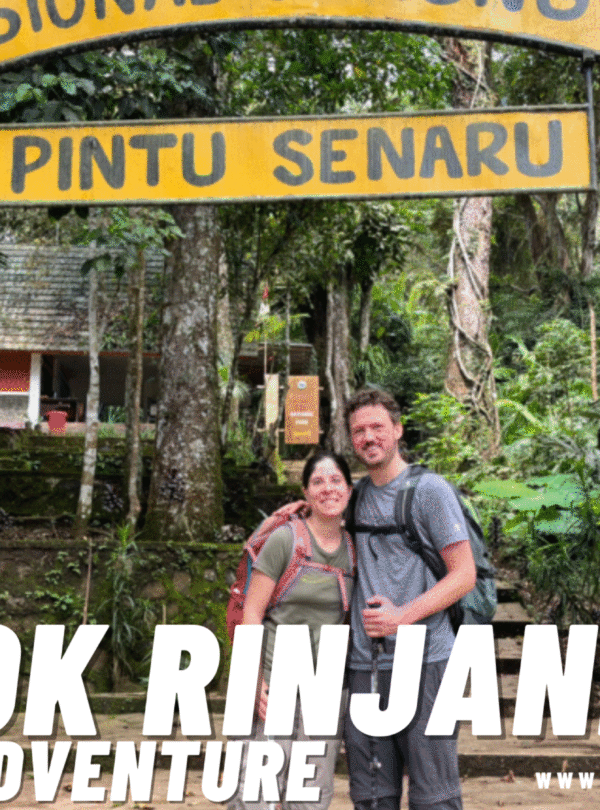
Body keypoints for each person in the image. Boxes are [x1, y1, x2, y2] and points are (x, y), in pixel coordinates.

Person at [343, 388, 476, 810]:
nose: (368, 437)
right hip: (367, 663)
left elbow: (464, 574)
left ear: (397, 430)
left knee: (433, 795)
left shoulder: (429, 491)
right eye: (358, 430)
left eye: (377, 427)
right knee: (371, 796)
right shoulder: (354, 497)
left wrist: (403, 616)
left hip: (428, 659)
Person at [229, 448, 355, 810]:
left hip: (323, 688)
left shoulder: (354, 547)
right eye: (318, 481)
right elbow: (251, 614)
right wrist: (252, 683)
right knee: (256, 791)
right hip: (271, 680)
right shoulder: (286, 539)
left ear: (348, 490)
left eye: (336, 481)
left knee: (310, 795)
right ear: (305, 492)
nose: (328, 489)